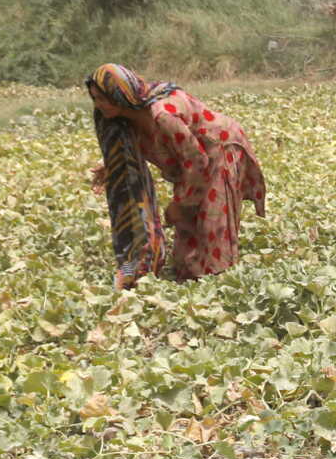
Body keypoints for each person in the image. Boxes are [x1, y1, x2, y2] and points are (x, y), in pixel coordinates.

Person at [85, 64, 267, 291]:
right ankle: (191, 277)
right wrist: (110, 164)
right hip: (192, 164)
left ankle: (221, 283)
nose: (99, 106)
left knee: (213, 225)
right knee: (186, 246)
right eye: (94, 99)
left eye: (103, 98)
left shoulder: (163, 114)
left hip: (220, 151)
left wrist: (180, 203)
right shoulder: (126, 121)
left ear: (120, 94)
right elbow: (133, 148)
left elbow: (198, 160)